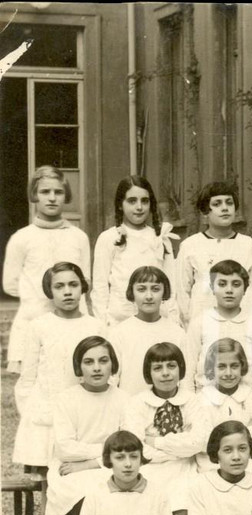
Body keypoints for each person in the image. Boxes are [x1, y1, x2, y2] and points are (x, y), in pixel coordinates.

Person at [43, 337, 129, 515]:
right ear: (79, 367)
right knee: (79, 490)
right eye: (89, 362)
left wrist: (93, 462)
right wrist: (105, 452)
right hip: (70, 468)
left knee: (108, 488)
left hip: (107, 466)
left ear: (113, 364)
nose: (97, 368)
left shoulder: (124, 399)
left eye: (103, 361)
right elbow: (65, 447)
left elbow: (127, 443)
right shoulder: (66, 399)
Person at [13, 262, 102, 480]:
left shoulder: (96, 326)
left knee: (82, 478)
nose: (67, 291)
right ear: (49, 291)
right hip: (48, 414)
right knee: (49, 478)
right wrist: (34, 414)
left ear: (82, 287)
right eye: (59, 286)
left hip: (84, 414)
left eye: (73, 284)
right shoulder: (39, 326)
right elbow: (28, 378)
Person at [3, 165, 91, 373]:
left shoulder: (78, 237)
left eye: (58, 192)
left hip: (72, 323)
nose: (52, 198)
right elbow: (10, 284)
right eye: (45, 192)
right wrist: (38, 298)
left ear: (66, 195)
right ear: (34, 195)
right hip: (34, 321)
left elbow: (85, 280)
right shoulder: (21, 238)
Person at [123, 342, 208, 515]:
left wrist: (156, 442)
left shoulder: (193, 401)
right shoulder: (137, 403)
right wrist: (181, 447)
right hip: (150, 467)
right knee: (148, 501)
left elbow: (199, 441)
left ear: (181, 369)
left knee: (183, 498)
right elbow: (137, 448)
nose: (165, 373)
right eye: (157, 368)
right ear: (149, 373)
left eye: (171, 366)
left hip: (184, 467)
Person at [92, 175, 179, 328]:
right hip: (119, 320)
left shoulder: (160, 238)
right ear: (120, 204)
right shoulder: (109, 238)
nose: (139, 207)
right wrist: (102, 326)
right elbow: (100, 287)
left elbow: (171, 284)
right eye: (132, 201)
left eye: (144, 201)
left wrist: (173, 322)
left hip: (154, 320)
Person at [175, 181, 252, 327]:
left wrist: (242, 318)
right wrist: (189, 321)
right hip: (201, 321)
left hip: (239, 324)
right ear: (205, 212)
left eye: (229, 203)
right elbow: (182, 289)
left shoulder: (250, 246)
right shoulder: (190, 245)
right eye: (217, 204)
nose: (225, 208)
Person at [187, 259, 252, 391]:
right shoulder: (199, 323)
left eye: (236, 284)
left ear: (245, 289)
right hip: (208, 397)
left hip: (250, 396)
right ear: (212, 288)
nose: (229, 290)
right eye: (222, 284)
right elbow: (188, 370)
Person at [108, 266, 191, 396]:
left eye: (155, 289)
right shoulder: (119, 333)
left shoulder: (177, 333)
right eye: (141, 289)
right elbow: (112, 380)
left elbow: (185, 379)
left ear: (164, 292)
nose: (149, 296)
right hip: (130, 404)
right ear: (132, 293)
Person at [193, 338, 252, 474]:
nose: (228, 373)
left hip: (251, 462)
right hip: (213, 464)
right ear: (211, 368)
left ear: (242, 367)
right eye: (221, 367)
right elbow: (202, 442)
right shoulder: (201, 399)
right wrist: (247, 430)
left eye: (234, 366)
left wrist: (221, 438)